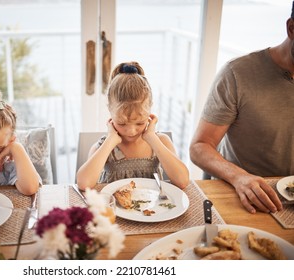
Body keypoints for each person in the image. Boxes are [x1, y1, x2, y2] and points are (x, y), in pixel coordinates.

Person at [189, 2, 294, 214]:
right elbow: (199, 147)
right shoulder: (237, 74)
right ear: (291, 28)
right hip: (246, 201)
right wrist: (239, 177)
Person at [77, 61, 189, 190]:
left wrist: (152, 138)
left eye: (140, 123)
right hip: (115, 209)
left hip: (153, 209)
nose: (131, 131)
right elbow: (84, 183)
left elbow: (182, 181)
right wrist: (110, 141)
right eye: (122, 123)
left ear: (150, 112)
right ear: (110, 110)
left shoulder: (161, 141)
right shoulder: (104, 146)